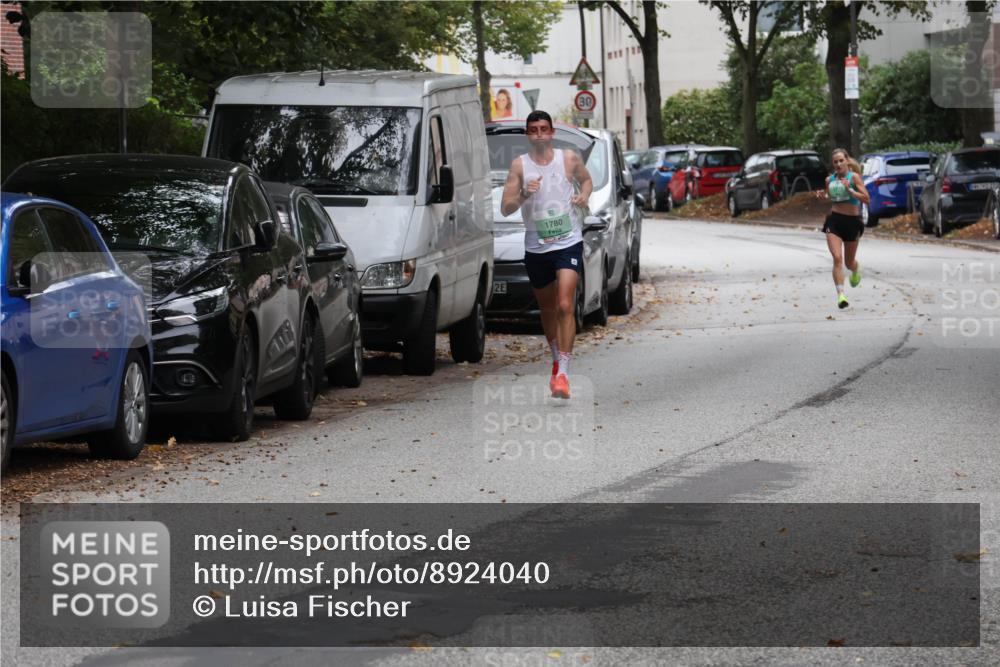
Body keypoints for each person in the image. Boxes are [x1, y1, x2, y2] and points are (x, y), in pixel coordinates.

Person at [500, 110, 593, 399]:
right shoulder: (520, 166)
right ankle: (555, 357)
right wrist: (525, 194)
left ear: (551, 132)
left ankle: (564, 373)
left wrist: (584, 196)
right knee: (548, 308)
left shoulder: (569, 158)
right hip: (536, 246)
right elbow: (506, 207)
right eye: (533, 130)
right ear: (528, 135)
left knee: (566, 304)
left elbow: (586, 181)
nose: (539, 134)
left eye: (544, 129)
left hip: (568, 242)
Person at [817, 147, 870, 309]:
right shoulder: (829, 180)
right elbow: (830, 198)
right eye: (835, 162)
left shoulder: (854, 177)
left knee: (848, 262)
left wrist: (850, 190)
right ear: (833, 165)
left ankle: (855, 269)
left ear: (847, 161)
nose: (839, 164)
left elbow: (866, 199)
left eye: (841, 160)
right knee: (837, 258)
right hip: (835, 221)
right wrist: (822, 198)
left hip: (853, 222)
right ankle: (841, 295)